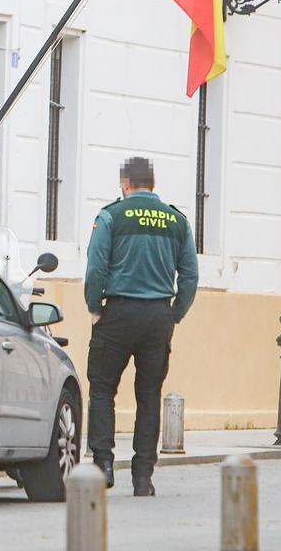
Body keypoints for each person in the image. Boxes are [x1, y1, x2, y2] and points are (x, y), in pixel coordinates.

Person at [84, 156, 198, 496]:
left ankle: (103, 464)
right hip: (157, 318)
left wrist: (94, 307)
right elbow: (190, 275)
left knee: (103, 390)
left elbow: (96, 269)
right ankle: (143, 477)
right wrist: (174, 313)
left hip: (117, 314)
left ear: (124, 183)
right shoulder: (176, 220)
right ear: (153, 182)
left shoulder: (110, 216)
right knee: (149, 396)